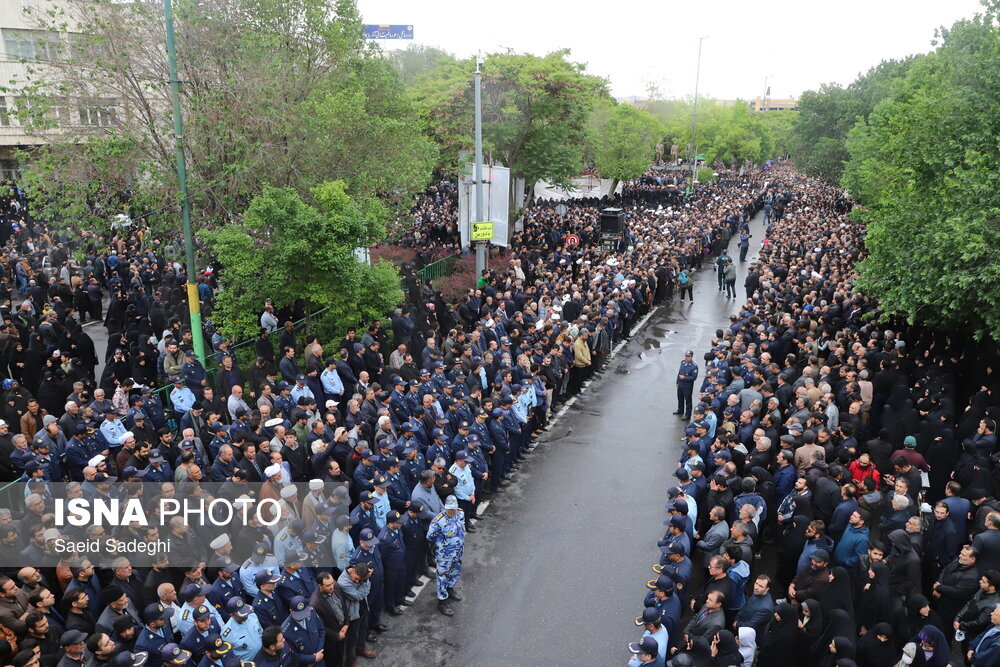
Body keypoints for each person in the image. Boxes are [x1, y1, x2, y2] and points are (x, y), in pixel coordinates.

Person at [426, 495, 465, 617]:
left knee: (455, 572)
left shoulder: (460, 513)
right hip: (444, 555)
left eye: (453, 508)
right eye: (449, 509)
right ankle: (442, 602)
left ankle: (450, 589)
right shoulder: (438, 520)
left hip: (457, 552)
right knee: (442, 577)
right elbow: (430, 537)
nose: (452, 511)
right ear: (445, 508)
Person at [674, 351, 698, 420]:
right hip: (681, 385)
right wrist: (677, 381)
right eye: (686, 356)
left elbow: (694, 377)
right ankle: (680, 410)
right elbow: (679, 372)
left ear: (691, 357)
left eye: (688, 356)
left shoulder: (694, 366)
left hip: (687, 386)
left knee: (688, 400)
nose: (686, 357)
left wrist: (684, 378)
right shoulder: (682, 362)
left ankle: (688, 414)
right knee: (680, 398)